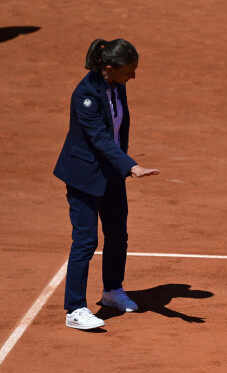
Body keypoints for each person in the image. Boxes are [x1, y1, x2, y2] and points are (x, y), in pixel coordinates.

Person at [54, 38, 160, 330]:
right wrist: (131, 165)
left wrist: (121, 167)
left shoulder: (117, 85)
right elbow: (99, 138)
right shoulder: (85, 95)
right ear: (110, 68)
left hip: (111, 172)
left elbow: (117, 130)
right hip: (84, 176)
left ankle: (112, 291)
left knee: (117, 234)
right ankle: (75, 309)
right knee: (86, 241)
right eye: (130, 71)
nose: (134, 76)